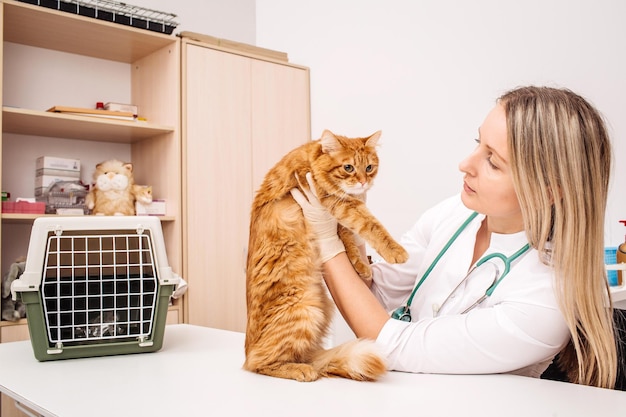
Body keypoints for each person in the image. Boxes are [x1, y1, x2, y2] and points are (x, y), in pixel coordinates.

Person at [290, 86, 618, 389]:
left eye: (493, 161)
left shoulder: (545, 299)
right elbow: (372, 292)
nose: (465, 165)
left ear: (549, 191)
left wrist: (327, 245)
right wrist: (350, 226)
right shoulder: (455, 213)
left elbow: (391, 343)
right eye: (479, 144)